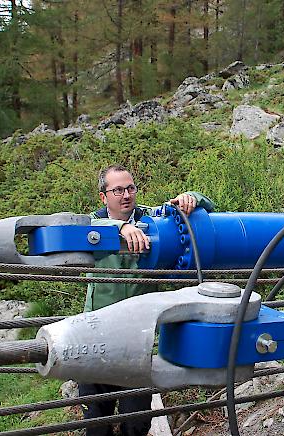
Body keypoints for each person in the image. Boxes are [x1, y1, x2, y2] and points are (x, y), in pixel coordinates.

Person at [79, 164, 214, 436]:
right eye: (117, 190)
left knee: (137, 423)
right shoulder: (91, 224)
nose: (126, 195)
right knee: (96, 423)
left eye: (130, 188)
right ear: (103, 197)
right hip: (94, 334)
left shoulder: (152, 219)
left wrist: (192, 197)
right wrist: (119, 228)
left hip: (136, 337)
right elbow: (87, 227)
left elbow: (208, 205)